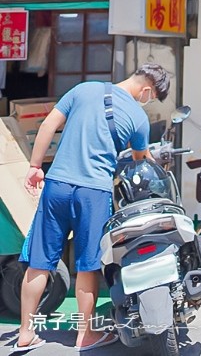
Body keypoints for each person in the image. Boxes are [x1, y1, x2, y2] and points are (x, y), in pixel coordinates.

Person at [13, 63, 170, 354]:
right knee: (88, 266)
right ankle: (85, 335)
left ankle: (25, 332)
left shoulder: (83, 89)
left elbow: (48, 125)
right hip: (93, 193)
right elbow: (141, 160)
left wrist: (35, 167)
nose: (147, 101)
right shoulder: (138, 116)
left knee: (40, 262)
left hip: (57, 185)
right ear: (147, 90)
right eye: (151, 97)